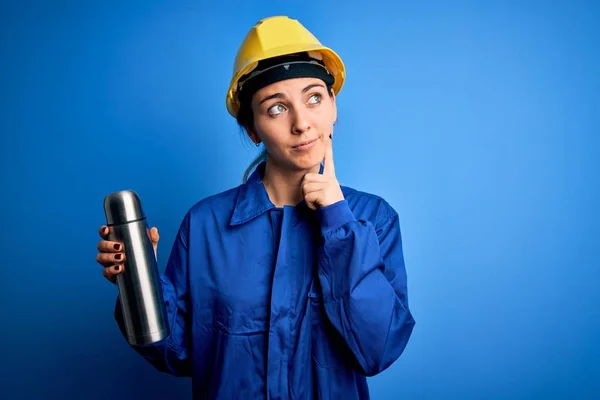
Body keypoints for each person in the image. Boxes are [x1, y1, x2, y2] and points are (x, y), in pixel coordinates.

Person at [96, 15, 415, 399]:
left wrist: (337, 221)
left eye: (314, 97)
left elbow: (377, 350)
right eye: (276, 108)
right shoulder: (205, 225)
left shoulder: (373, 220)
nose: (302, 123)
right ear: (253, 129)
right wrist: (138, 284)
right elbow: (179, 355)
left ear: (333, 105)